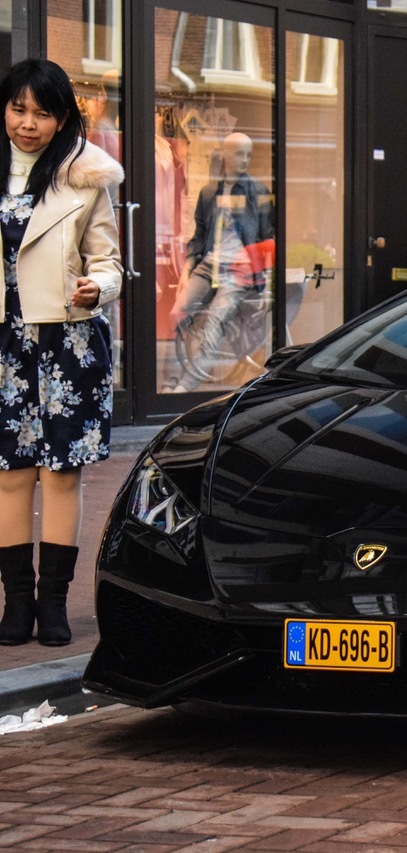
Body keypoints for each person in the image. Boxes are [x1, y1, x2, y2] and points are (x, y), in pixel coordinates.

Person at [0, 58, 123, 646]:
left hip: (65, 339)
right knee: (9, 477)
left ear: (62, 118)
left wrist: (100, 287)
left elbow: (109, 262)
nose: (28, 124)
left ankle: (52, 606)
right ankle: (16, 607)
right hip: (4, 341)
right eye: (18, 109)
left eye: (42, 113)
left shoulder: (82, 174)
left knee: (61, 474)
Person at [164, 130, 273, 392]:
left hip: (239, 272)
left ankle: (186, 386)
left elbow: (269, 239)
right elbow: (199, 237)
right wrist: (185, 273)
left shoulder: (257, 191)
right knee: (177, 312)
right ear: (225, 154)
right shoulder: (209, 192)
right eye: (239, 153)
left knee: (215, 318)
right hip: (208, 265)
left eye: (248, 154)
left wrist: (263, 276)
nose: (244, 160)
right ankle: (169, 383)